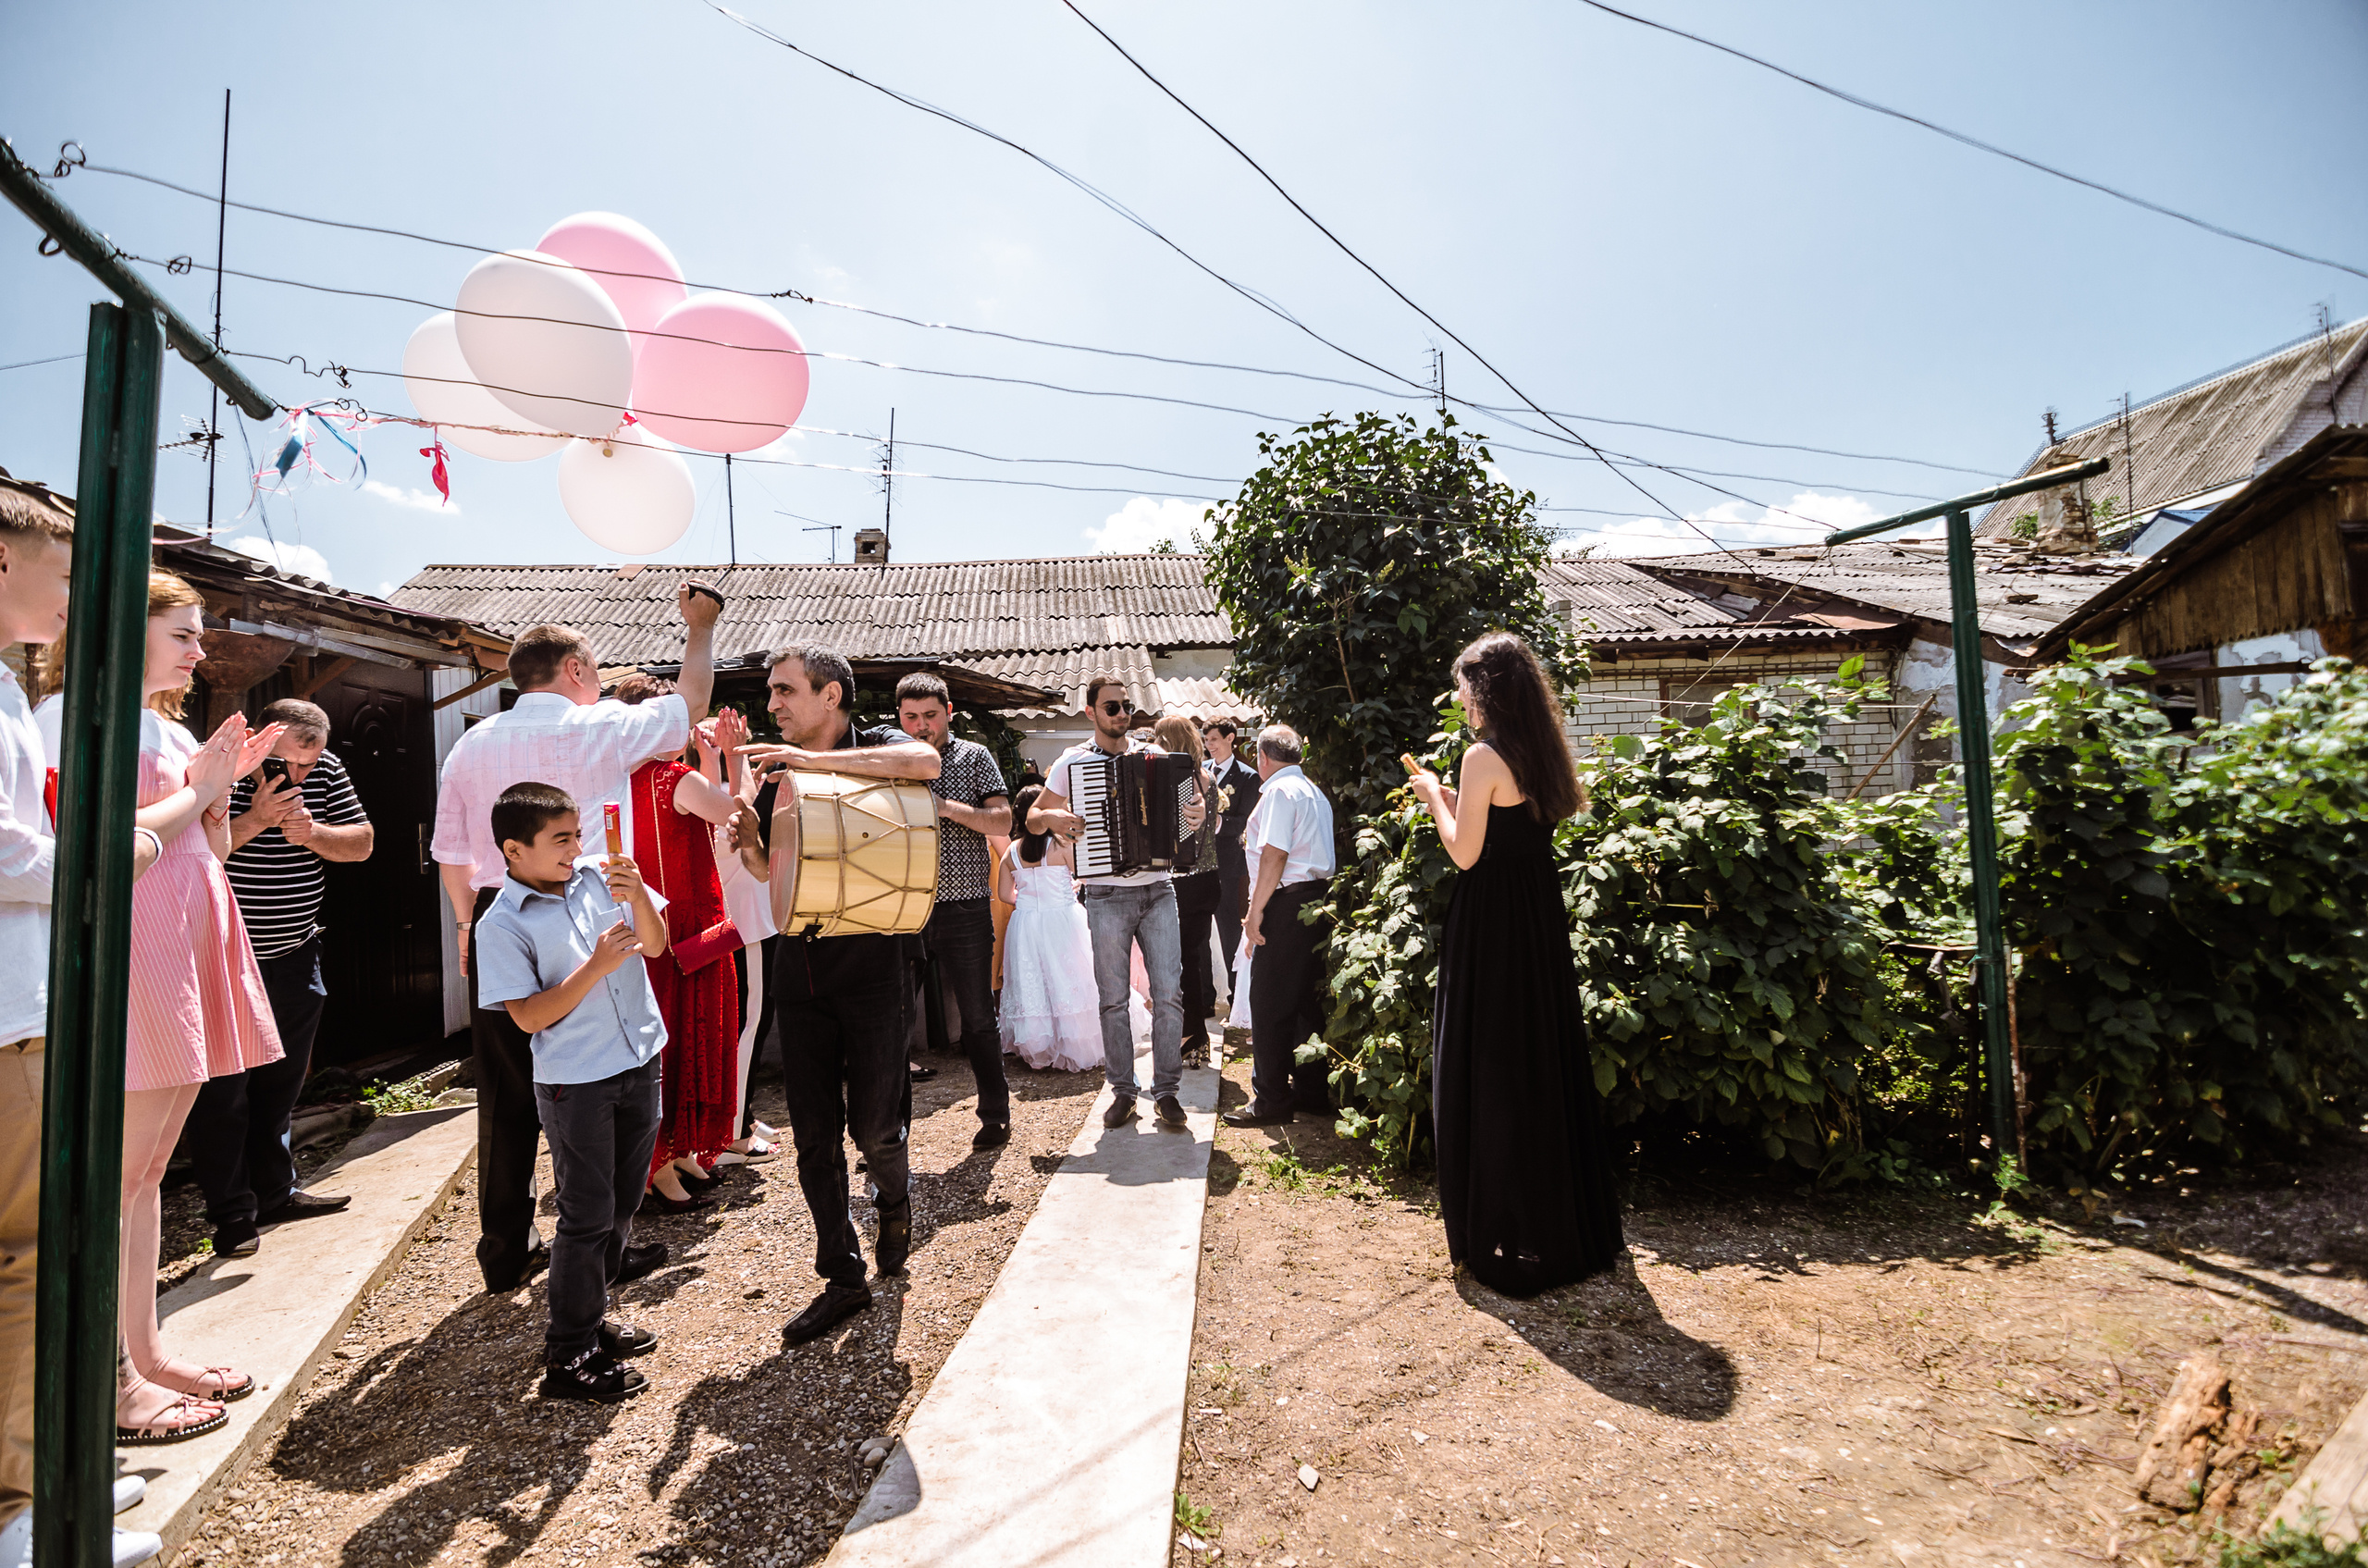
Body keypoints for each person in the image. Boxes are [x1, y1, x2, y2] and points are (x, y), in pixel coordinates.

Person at [431, 585, 719, 1293]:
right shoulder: (600, 727)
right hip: (584, 905)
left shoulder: (470, 742)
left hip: (500, 905)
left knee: (505, 1097)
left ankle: (505, 1249)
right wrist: (701, 629)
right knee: (597, 1080)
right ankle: (601, 1244)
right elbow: (692, 705)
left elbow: (450, 853)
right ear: (578, 671)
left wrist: (472, 925)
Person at [0, 478, 165, 1568]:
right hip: (12, 1015)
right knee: (26, 1257)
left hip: (27, 1002)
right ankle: (23, 1511)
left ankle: (48, 1471)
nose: (72, 601)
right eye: (62, 575)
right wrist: (119, 849)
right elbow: (11, 856)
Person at [105, 572, 288, 1437]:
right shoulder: (87, 715)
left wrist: (224, 783)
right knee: (121, 1180)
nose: (200, 648)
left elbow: (208, 840)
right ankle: (115, 1377)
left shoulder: (168, 724)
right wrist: (202, 780)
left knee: (143, 1179)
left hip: (186, 932)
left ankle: (145, 1352)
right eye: (183, 632)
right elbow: (122, 842)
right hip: (146, 944)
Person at [1406, 632, 1623, 1296]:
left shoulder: (1482, 757)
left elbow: (1465, 852)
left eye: (1465, 685)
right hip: (1537, 915)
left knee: (1490, 1065)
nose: (1460, 697)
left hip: (1493, 923)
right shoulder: (1542, 747)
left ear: (1488, 690)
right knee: (1541, 1059)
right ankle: (1557, 1218)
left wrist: (1433, 795)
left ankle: (1501, 1221)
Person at [736, 646, 941, 1346]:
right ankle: (842, 1276)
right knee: (814, 1139)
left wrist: (811, 767)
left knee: (877, 1128)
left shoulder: (877, 741)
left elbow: (927, 765)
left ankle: (894, 1195)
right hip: (804, 973)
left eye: (785, 690)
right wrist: (752, 846)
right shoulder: (774, 777)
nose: (774, 705)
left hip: (878, 971)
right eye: (771, 692)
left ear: (831, 696)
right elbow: (779, 878)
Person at [472, 783, 670, 1402]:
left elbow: (658, 944)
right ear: (514, 848)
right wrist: (595, 967)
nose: (577, 847)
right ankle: (569, 1355)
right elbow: (528, 1017)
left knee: (620, 1202)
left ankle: (592, 1311)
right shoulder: (501, 923)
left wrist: (638, 896)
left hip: (640, 1056)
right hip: (576, 1082)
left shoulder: (598, 877)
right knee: (584, 1215)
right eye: (561, 839)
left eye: (578, 833)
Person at [193, 698, 375, 1258]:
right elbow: (190, 853)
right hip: (223, 956)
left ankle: (276, 1192)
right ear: (262, 739)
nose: (298, 776)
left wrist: (313, 832)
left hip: (297, 952)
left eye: (308, 765)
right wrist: (254, 822)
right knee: (223, 1091)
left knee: (280, 1084)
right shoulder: (216, 768)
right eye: (289, 762)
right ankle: (231, 1217)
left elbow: (363, 844)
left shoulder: (328, 771)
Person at [1028, 677, 1202, 1132]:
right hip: (1104, 893)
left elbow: (1192, 803)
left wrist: (1196, 812)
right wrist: (1053, 817)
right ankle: (1124, 1091)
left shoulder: (1156, 757)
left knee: (1169, 995)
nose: (1122, 714)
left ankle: (1166, 1093)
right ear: (1091, 712)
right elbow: (1031, 815)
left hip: (1159, 888)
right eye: (1111, 707)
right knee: (1113, 999)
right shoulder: (1072, 763)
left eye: (1126, 706)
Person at [610, 677, 755, 1213]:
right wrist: (733, 758)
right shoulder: (673, 776)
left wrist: (709, 761)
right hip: (689, 922)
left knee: (666, 1041)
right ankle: (661, 1164)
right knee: (691, 1039)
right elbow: (735, 816)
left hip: (648, 916)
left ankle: (676, 1151)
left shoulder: (620, 776)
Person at [894, 673, 1013, 1150]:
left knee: (979, 1018)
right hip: (902, 909)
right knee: (891, 1024)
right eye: (911, 717)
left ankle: (995, 1115)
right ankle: (889, 1134)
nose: (921, 726)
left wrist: (945, 807)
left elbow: (1003, 819)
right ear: (898, 718)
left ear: (948, 712)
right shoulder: (888, 762)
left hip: (963, 907)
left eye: (930, 716)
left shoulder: (974, 756)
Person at [1219, 725, 1337, 1130]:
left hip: (1286, 903)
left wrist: (1254, 912)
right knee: (1305, 1000)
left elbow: (1274, 855)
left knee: (1269, 1002)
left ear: (1262, 757)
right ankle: (1312, 1090)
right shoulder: (1313, 791)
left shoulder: (1278, 792)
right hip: (1317, 900)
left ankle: (1271, 1098)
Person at [993, 784, 1101, 1072]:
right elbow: (1087, 878)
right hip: (1062, 918)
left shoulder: (1012, 852)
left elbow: (1005, 895)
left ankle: (1038, 1045)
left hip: (1025, 923)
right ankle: (1075, 1044)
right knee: (1068, 977)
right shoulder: (1061, 846)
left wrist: (1028, 901)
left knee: (1034, 982)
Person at [1153, 717, 1220, 1067]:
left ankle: (1191, 1036)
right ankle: (1197, 1038)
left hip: (1185, 882)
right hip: (1208, 881)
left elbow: (1179, 836)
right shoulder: (1207, 777)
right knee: (1191, 960)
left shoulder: (1179, 779)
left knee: (1181, 965)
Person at [1202, 719, 1261, 999]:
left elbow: (1245, 822)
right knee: (1199, 933)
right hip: (1197, 863)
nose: (1209, 745)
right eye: (1206, 740)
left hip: (1227, 864)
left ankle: (1237, 996)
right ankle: (1204, 998)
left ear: (1231, 739)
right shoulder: (1200, 772)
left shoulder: (1247, 777)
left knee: (1228, 930)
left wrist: (1216, 822)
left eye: (1214, 739)